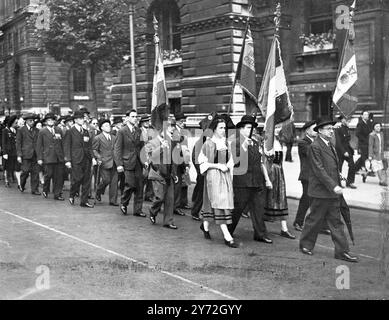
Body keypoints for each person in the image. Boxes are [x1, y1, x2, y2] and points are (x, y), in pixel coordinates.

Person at [299, 117, 358, 262]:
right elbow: (319, 170)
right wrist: (334, 185)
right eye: (329, 129)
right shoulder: (315, 146)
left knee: (336, 222)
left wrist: (339, 176)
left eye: (332, 129)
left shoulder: (329, 144)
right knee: (314, 220)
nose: (332, 131)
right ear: (319, 131)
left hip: (331, 192)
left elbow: (331, 165)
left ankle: (342, 251)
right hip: (320, 192)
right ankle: (305, 245)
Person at [228, 115, 273, 244]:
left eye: (252, 128)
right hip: (242, 182)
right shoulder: (235, 142)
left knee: (259, 208)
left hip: (257, 181)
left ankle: (260, 234)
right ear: (241, 129)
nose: (251, 130)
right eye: (248, 127)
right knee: (238, 209)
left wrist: (267, 179)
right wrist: (243, 147)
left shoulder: (255, 142)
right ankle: (228, 231)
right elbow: (235, 161)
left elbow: (260, 162)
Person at [198, 115, 238, 248]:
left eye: (224, 128)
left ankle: (205, 226)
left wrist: (228, 166)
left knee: (215, 202)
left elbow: (231, 159)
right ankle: (227, 236)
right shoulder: (208, 144)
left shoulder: (226, 143)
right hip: (213, 176)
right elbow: (202, 162)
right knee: (219, 204)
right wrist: (217, 166)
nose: (223, 130)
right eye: (221, 128)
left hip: (225, 176)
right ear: (214, 129)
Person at [263, 124, 296, 239]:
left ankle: (284, 228)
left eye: (279, 128)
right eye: (275, 127)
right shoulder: (266, 142)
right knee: (265, 200)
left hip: (279, 173)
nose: (277, 130)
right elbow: (263, 162)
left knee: (281, 199)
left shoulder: (279, 142)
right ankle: (261, 229)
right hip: (269, 172)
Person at [146, 118, 179, 229]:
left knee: (170, 199)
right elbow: (151, 157)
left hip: (168, 174)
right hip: (157, 173)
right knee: (159, 197)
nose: (172, 129)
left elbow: (174, 159)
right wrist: (161, 147)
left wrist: (175, 174)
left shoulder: (172, 141)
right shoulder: (152, 142)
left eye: (173, 127)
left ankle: (168, 221)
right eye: (169, 127)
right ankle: (153, 211)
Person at [113, 110, 146, 217]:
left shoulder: (138, 131)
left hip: (138, 162)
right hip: (127, 162)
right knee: (130, 185)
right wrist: (119, 164)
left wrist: (144, 160)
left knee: (140, 187)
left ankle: (138, 210)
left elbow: (141, 147)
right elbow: (117, 149)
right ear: (127, 118)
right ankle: (124, 203)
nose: (135, 118)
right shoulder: (122, 131)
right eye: (132, 116)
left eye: (136, 116)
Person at [64, 110, 94, 208]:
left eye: (83, 119)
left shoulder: (85, 131)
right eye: (81, 119)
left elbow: (89, 146)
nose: (83, 120)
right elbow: (67, 146)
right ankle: (72, 194)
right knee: (77, 179)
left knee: (86, 180)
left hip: (86, 159)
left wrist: (93, 158)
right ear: (76, 120)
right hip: (75, 159)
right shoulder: (70, 131)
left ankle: (84, 201)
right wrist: (68, 160)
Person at [293, 120, 317, 231]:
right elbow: (312, 154)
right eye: (314, 129)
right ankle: (298, 222)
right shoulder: (303, 142)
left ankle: (320, 224)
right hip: (307, 176)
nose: (316, 131)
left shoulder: (317, 142)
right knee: (306, 200)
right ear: (307, 131)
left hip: (317, 176)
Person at [36, 113, 65, 201]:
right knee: (48, 175)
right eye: (49, 120)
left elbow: (62, 143)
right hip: (48, 156)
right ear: (45, 122)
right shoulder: (42, 131)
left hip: (58, 156)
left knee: (59, 176)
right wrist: (39, 158)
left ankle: (57, 194)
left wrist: (64, 156)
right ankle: (45, 189)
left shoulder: (58, 129)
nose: (51, 122)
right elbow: (39, 146)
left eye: (52, 120)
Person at [93, 119, 119, 206]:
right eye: (106, 126)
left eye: (109, 125)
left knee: (114, 182)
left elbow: (117, 149)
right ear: (101, 128)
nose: (109, 127)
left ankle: (113, 200)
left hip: (114, 162)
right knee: (106, 180)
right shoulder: (98, 138)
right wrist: (98, 158)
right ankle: (98, 191)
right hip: (104, 162)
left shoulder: (114, 137)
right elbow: (94, 150)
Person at [16, 113, 41, 195]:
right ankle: (22, 184)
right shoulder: (21, 130)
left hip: (35, 155)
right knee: (25, 171)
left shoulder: (37, 130)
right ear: (26, 121)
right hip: (25, 155)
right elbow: (18, 143)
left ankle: (35, 189)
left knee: (35, 172)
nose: (32, 122)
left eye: (33, 120)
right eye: (30, 120)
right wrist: (19, 155)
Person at [173, 112, 191, 212]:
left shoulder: (183, 131)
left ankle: (183, 202)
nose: (183, 123)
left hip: (184, 159)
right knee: (178, 184)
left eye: (184, 121)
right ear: (177, 122)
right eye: (181, 121)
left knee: (185, 181)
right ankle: (176, 206)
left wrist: (187, 162)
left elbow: (185, 148)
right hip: (178, 161)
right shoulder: (175, 132)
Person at [335, 115, 357, 189]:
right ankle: (338, 182)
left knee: (352, 166)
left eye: (348, 119)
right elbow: (338, 142)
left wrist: (350, 150)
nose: (347, 120)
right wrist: (343, 151)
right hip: (340, 151)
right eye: (345, 119)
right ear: (342, 120)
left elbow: (347, 141)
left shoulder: (347, 128)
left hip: (347, 150)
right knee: (339, 167)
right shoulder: (338, 129)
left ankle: (349, 182)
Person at [139, 114, 154, 202]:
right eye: (145, 121)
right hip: (143, 156)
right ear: (141, 123)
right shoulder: (139, 131)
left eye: (148, 121)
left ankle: (148, 195)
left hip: (151, 156)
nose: (147, 123)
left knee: (150, 177)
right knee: (143, 176)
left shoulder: (151, 131)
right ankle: (140, 193)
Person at [354, 111, 372, 182]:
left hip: (368, 144)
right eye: (365, 115)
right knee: (364, 158)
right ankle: (364, 173)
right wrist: (365, 140)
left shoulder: (368, 123)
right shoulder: (360, 123)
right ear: (362, 116)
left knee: (364, 157)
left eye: (367, 115)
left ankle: (355, 168)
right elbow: (357, 134)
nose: (366, 116)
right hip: (363, 144)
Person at [2, 115, 18, 188]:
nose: (16, 124)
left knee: (13, 166)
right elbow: (3, 142)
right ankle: (6, 181)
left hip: (14, 151)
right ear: (11, 123)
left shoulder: (16, 130)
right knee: (6, 167)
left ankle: (13, 178)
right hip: (8, 152)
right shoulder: (5, 131)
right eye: (15, 123)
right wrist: (4, 152)